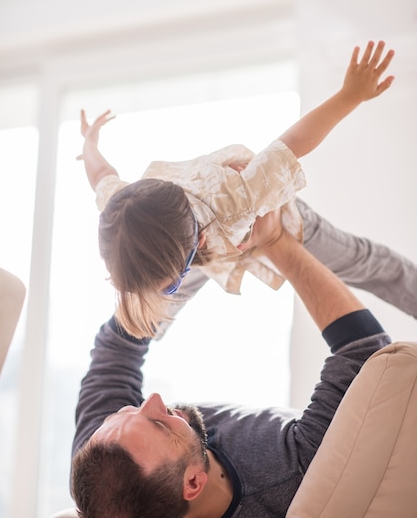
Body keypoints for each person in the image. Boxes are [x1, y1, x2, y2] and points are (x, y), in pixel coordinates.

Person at [77, 40, 416, 339]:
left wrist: (349, 96)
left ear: (199, 241)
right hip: (204, 247)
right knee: (149, 320)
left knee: (367, 264)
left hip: (273, 217)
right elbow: (102, 174)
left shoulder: (239, 196)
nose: (162, 288)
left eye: (171, 283)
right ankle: (149, 324)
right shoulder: (121, 212)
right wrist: (89, 142)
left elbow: (292, 143)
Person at [71, 208, 396, 517]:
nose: (151, 400)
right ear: (193, 483)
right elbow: (367, 353)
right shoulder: (289, 472)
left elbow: (116, 349)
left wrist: (177, 258)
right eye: (159, 424)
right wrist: (275, 242)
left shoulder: (103, 465)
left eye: (125, 411)